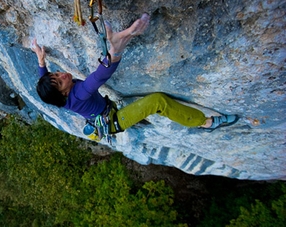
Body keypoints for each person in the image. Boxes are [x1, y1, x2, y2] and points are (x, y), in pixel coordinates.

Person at [32, 13, 238, 141]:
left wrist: (41, 62)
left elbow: (48, 83)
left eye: (57, 74)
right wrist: (115, 52)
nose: (63, 75)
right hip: (113, 121)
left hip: (101, 116)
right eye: (60, 81)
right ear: (66, 92)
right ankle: (204, 122)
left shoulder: (60, 98)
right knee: (158, 101)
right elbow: (97, 78)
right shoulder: (78, 94)